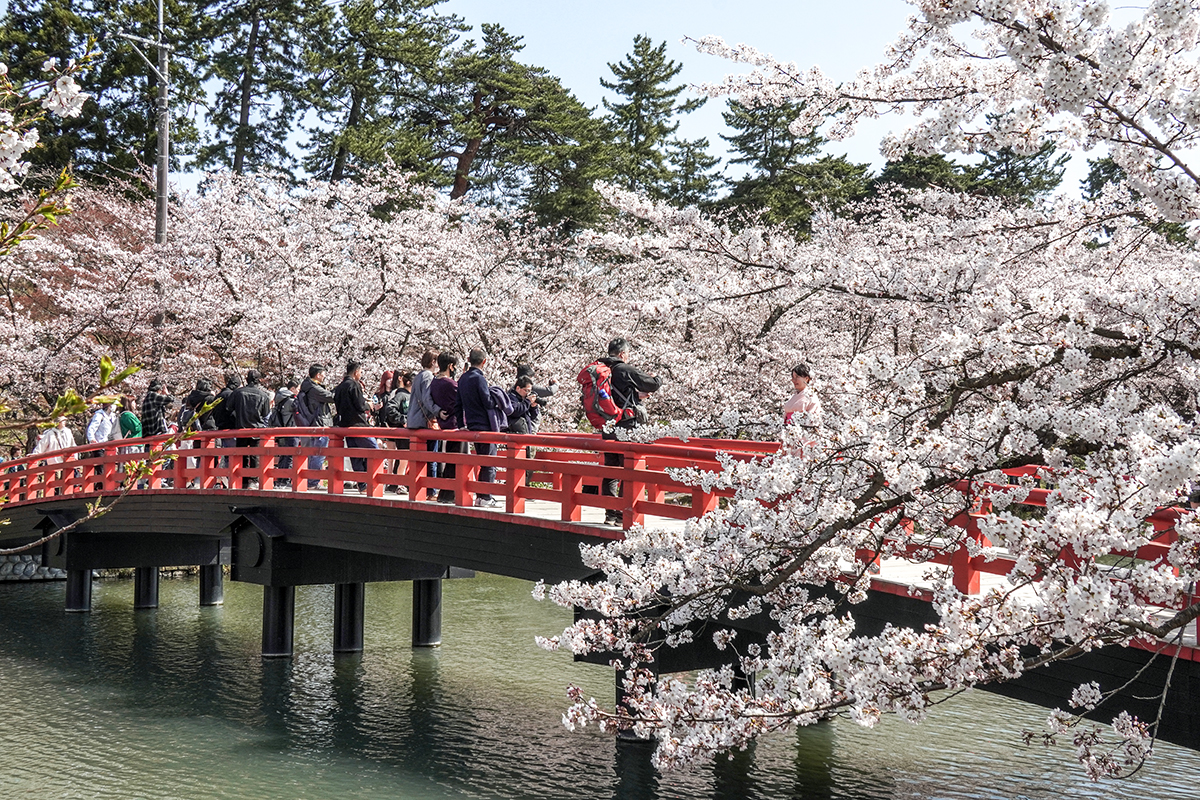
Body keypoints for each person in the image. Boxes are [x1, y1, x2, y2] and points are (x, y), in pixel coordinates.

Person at [597, 337, 662, 526]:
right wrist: (658, 378)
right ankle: (621, 516)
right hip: (626, 427)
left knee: (611, 469)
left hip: (607, 426)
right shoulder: (624, 369)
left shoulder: (600, 370)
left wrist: (634, 394)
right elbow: (652, 384)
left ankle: (610, 513)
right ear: (623, 354)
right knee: (628, 469)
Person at [458, 349, 501, 507]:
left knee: (483, 460)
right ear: (484, 362)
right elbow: (487, 402)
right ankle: (486, 497)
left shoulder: (462, 378)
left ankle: (481, 496)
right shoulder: (479, 379)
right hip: (485, 424)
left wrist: (461, 425)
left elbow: (458, 404)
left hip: (471, 424)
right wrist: (497, 399)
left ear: (469, 359)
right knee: (489, 462)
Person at [333, 360, 380, 492]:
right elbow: (360, 405)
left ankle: (362, 484)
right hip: (358, 423)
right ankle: (374, 482)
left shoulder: (340, 387)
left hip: (345, 425)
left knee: (355, 455)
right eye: (360, 372)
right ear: (356, 372)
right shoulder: (354, 385)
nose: (361, 374)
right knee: (375, 449)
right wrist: (369, 405)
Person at [406, 350, 442, 500]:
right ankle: (431, 490)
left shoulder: (419, 376)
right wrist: (438, 411)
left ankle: (422, 489)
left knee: (421, 458)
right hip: (423, 421)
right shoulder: (428, 376)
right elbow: (427, 399)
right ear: (433, 362)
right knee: (431, 457)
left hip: (415, 420)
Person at [229, 368, 272, 488]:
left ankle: (241, 479)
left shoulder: (238, 393)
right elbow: (265, 414)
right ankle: (253, 480)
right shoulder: (264, 395)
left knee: (241, 455)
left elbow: (229, 408)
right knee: (255, 456)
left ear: (247, 379)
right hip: (256, 429)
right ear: (259, 381)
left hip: (241, 428)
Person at [298, 363, 336, 490]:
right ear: (318, 375)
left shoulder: (308, 387)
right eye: (323, 374)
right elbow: (331, 397)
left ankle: (312, 480)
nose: (325, 376)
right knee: (319, 453)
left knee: (315, 453)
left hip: (314, 422)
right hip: (320, 422)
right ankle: (313, 481)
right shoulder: (314, 388)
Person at [429, 352, 460, 503]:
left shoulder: (434, 383)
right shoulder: (451, 384)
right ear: (450, 366)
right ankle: (449, 494)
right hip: (455, 424)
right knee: (456, 460)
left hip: (443, 423)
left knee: (450, 459)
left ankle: (444, 493)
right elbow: (461, 401)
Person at [269, 377, 300, 487]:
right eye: (298, 389)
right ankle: (285, 481)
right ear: (292, 388)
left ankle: (281, 480)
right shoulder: (291, 401)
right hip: (291, 430)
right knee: (290, 456)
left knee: (283, 456)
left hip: (282, 430)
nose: (299, 391)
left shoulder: (280, 399)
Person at [783, 362, 822, 447]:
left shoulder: (812, 398)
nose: (794, 380)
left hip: (802, 439)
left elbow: (812, 421)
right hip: (789, 436)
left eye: (797, 377)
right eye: (793, 377)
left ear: (806, 378)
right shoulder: (794, 396)